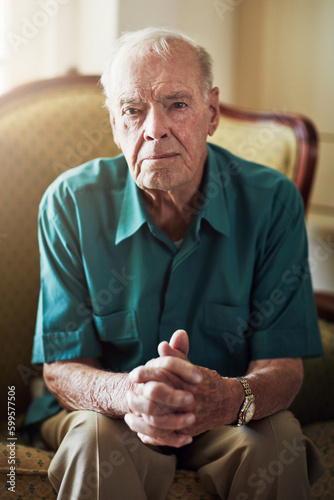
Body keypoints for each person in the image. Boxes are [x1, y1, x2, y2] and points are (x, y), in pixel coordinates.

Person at [25, 27, 324, 499]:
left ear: (212, 112)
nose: (154, 128)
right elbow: (63, 367)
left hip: (230, 411)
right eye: (133, 109)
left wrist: (227, 399)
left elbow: (283, 367)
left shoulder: (271, 202)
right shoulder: (71, 202)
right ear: (114, 123)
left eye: (177, 104)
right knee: (96, 444)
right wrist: (130, 395)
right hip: (106, 413)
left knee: (277, 443)